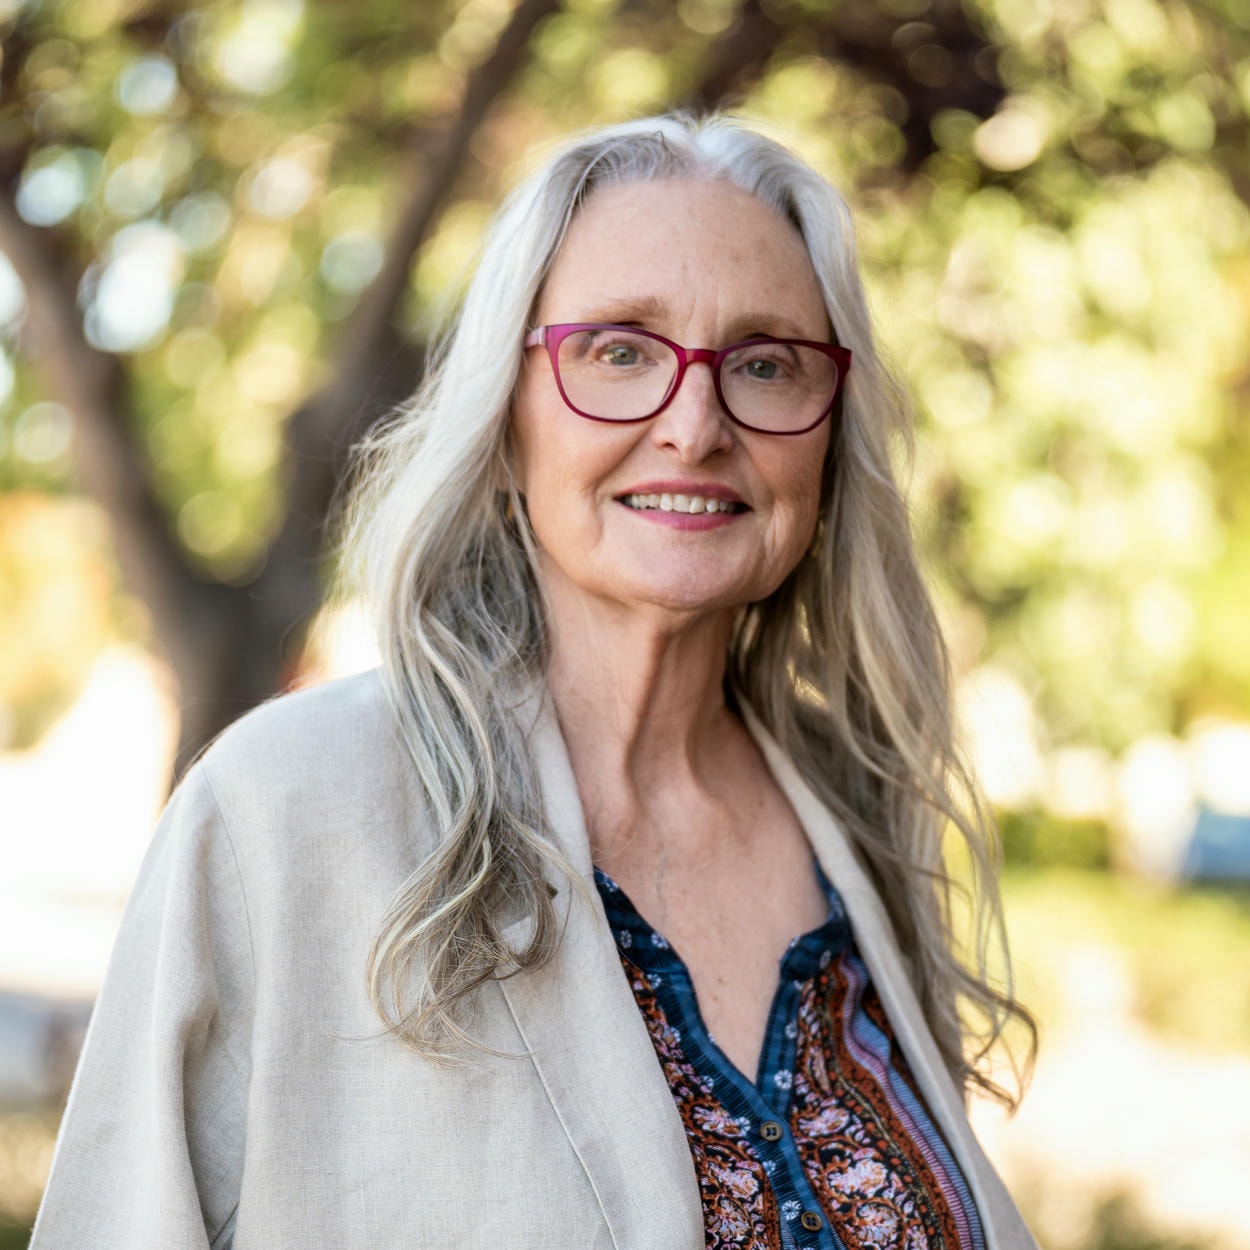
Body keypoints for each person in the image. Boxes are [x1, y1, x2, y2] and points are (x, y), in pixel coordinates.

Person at [31, 114, 1037, 1249]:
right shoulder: (284, 812)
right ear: (507, 419)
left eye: (764, 363)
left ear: (828, 437)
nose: (694, 426)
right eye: (619, 351)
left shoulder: (862, 830)